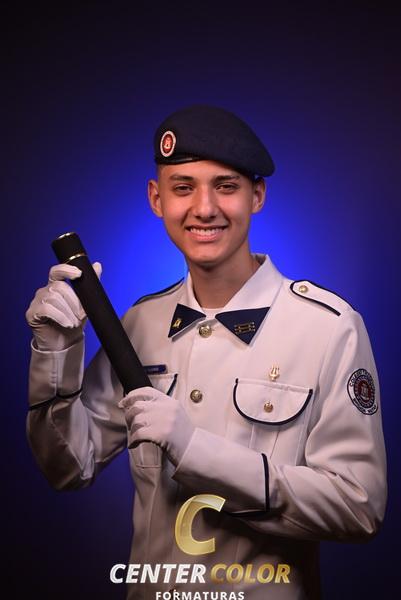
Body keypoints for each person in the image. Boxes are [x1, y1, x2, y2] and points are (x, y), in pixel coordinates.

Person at [25, 105, 387, 600]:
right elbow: (69, 467)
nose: (204, 208)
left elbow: (358, 507)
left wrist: (197, 451)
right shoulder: (140, 322)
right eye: (183, 187)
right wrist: (56, 348)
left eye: (226, 186)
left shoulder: (328, 328)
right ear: (157, 199)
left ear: (257, 195)